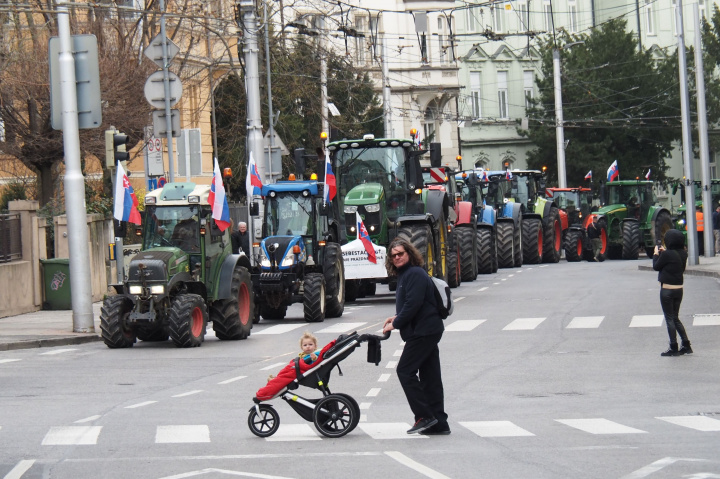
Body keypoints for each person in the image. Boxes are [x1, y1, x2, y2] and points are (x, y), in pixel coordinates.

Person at [382, 238, 448, 435]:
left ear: (409, 253)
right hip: (424, 330)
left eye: (400, 253)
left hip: (424, 331)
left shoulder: (415, 273)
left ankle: (424, 416)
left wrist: (397, 323)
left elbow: (414, 304)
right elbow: (411, 304)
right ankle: (439, 424)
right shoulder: (406, 275)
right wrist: (397, 316)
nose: (397, 258)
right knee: (430, 377)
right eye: (393, 256)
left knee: (405, 371)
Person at [652, 229, 692, 357]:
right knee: (675, 317)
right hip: (679, 289)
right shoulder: (683, 253)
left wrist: (656, 254)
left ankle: (673, 346)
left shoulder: (666, 254)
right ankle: (686, 344)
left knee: (669, 318)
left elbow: (656, 266)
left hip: (667, 290)